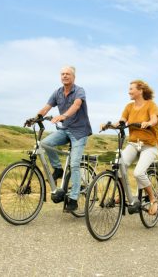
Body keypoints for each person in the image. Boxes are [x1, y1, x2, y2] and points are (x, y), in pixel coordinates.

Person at [102, 80, 158, 215]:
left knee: (138, 173)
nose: (129, 91)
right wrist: (109, 125)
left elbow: (154, 119)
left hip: (149, 146)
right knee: (118, 165)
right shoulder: (129, 107)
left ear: (140, 91)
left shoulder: (151, 105)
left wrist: (148, 123)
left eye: (131, 89)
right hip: (134, 144)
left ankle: (153, 199)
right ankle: (124, 194)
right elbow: (122, 121)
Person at [36, 66, 92, 212]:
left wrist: (64, 116)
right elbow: (46, 108)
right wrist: (35, 118)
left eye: (68, 74)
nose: (65, 76)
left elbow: (77, 105)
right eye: (62, 74)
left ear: (73, 77)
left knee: (74, 164)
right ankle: (58, 169)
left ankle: (73, 199)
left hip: (79, 132)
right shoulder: (58, 92)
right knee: (45, 144)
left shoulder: (79, 91)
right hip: (65, 130)